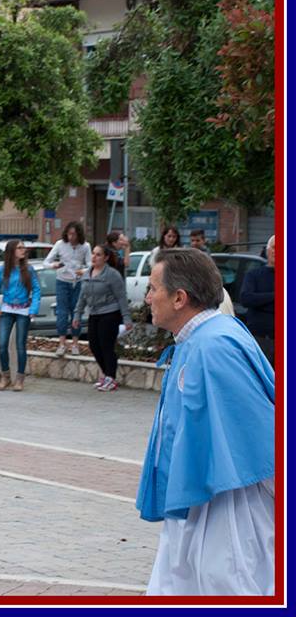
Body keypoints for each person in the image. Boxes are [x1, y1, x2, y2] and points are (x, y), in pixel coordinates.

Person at [137, 247, 274, 595]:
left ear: (180, 298)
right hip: (200, 498)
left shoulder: (215, 346)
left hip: (226, 507)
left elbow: (261, 431)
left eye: (154, 288)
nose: (147, 297)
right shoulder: (200, 340)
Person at [72, 245, 132, 392]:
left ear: (105, 258)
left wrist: (126, 318)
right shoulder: (87, 274)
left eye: (98, 255)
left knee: (106, 346)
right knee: (94, 345)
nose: (94, 257)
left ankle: (111, 378)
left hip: (110, 313)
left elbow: (121, 297)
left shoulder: (112, 274)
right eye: (93, 254)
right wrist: (77, 315)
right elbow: (82, 297)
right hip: (94, 313)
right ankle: (106, 375)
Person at [0, 240, 41, 391]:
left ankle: (19, 379)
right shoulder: (2, 270)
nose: (23, 250)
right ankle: (5, 377)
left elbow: (37, 290)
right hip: (6, 310)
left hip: (23, 311)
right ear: (12, 251)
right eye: (19, 248)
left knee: (20, 346)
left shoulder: (29, 270)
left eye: (23, 248)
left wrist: (33, 309)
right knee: (2, 345)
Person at [43, 221, 90, 356]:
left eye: (74, 234)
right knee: (62, 313)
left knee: (76, 313)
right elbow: (46, 262)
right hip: (62, 281)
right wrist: (54, 265)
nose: (71, 237)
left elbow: (90, 265)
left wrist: (84, 271)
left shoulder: (85, 246)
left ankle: (75, 343)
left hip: (78, 282)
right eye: (69, 234)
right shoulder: (60, 244)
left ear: (79, 234)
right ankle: (62, 343)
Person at [240, 235, 275, 366]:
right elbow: (246, 299)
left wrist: (260, 300)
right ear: (267, 250)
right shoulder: (253, 275)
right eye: (274, 247)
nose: (276, 251)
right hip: (260, 340)